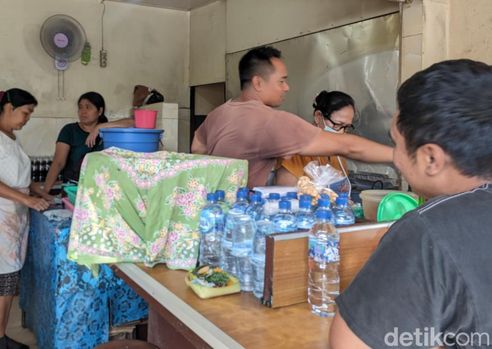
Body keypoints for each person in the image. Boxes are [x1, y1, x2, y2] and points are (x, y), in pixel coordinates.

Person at [330, 59, 492, 348]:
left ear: (431, 158)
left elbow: (349, 344)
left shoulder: (429, 230)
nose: (394, 157)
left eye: (396, 143)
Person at [191, 46, 392, 188]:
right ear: (258, 83)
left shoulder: (219, 113)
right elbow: (348, 146)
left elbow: (197, 146)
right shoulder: (269, 120)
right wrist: (398, 156)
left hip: (217, 211)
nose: (287, 87)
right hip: (244, 217)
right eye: (281, 81)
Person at [0, 88, 51, 349]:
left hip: (10, 213)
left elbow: (14, 178)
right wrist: (26, 199)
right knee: (4, 277)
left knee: (8, 276)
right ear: (9, 108)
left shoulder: (10, 139)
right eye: (26, 113)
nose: (27, 118)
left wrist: (35, 189)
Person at [41, 91, 133, 193]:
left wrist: (99, 127)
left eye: (88, 107)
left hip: (101, 190)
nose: (83, 111)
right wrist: (45, 191)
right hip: (73, 189)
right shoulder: (69, 130)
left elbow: (134, 122)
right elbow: (58, 163)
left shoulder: (108, 132)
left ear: (100, 111)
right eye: (80, 107)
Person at [280, 90, 356, 186]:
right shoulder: (296, 150)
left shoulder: (338, 155)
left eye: (346, 127)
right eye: (338, 125)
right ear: (318, 117)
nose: (341, 132)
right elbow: (285, 192)